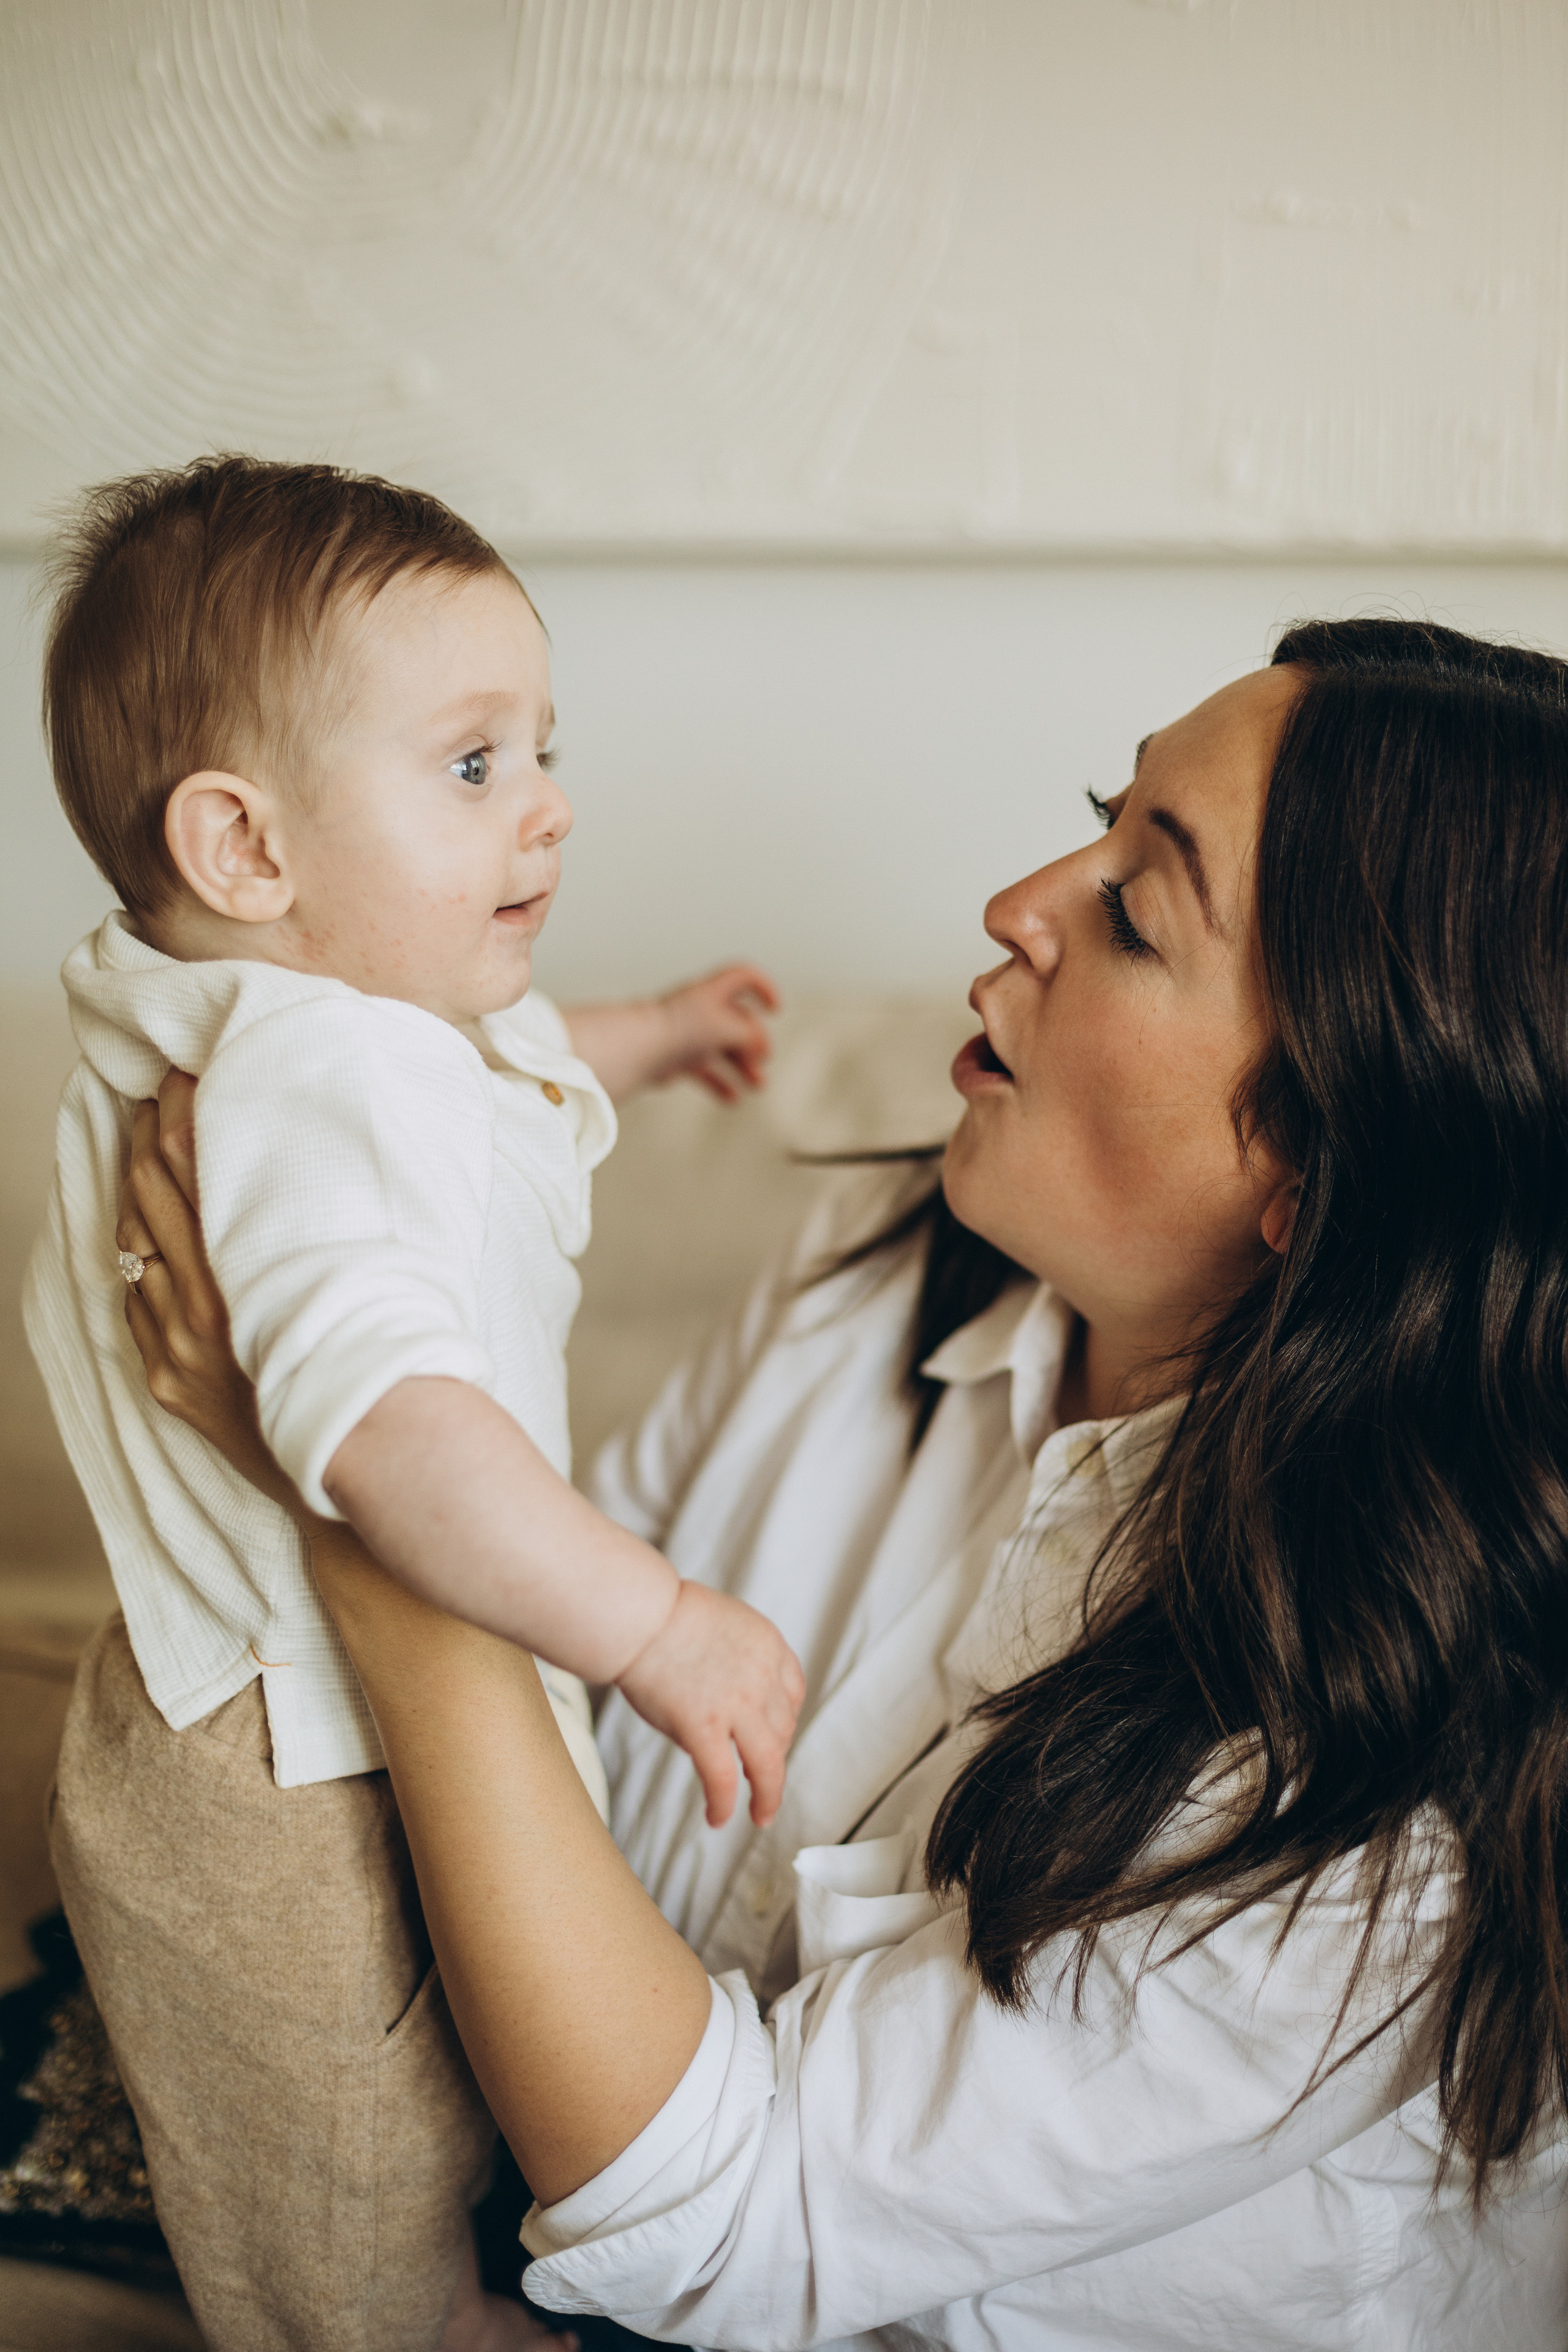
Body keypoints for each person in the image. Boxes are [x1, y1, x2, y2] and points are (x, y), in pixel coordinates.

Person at [122, 619, 1568, 2348]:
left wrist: (352, 1512)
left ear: (1322, 1168)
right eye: (1101, 819)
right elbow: (562, 1731)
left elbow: (724, 2226)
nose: (1017, 904)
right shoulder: (875, 1271)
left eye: (1132, 907)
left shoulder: (1386, 1803)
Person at [25, 456, 802, 2352]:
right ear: (248, 853)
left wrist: (651, 1034)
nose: (545, 809)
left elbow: (500, 1064)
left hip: (294, 1713)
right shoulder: (315, 1069)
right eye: (473, 766)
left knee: (411, 2072)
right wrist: (653, 1621)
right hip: (278, 1776)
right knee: (338, 2166)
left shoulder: (339, 1023)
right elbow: (376, 1429)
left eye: (542, 750)